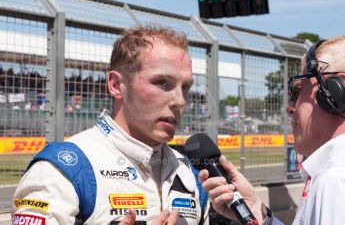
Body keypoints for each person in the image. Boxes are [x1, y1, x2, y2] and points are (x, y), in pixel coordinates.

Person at [12, 25, 209, 224]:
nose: (180, 101)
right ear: (116, 85)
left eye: (185, 87)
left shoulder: (189, 173)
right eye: (162, 82)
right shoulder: (62, 169)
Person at [199, 36, 345, 225]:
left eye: (298, 90)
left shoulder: (335, 180)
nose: (290, 107)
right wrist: (253, 209)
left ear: (337, 92)